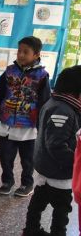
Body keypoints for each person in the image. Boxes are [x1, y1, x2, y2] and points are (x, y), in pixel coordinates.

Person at [0, 36, 51, 197]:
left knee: (27, 159)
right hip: (8, 123)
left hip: (29, 126)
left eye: (26, 52)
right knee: (4, 154)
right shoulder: (9, 71)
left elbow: (45, 101)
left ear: (36, 55)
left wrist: (43, 125)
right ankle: (7, 181)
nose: (21, 55)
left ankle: (27, 183)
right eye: (19, 51)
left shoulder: (42, 75)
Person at [23, 66, 81, 236]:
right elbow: (56, 145)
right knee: (61, 209)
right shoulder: (63, 110)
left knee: (38, 202)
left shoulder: (54, 103)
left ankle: (31, 230)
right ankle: (57, 232)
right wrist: (77, 161)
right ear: (75, 92)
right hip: (58, 172)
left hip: (46, 168)